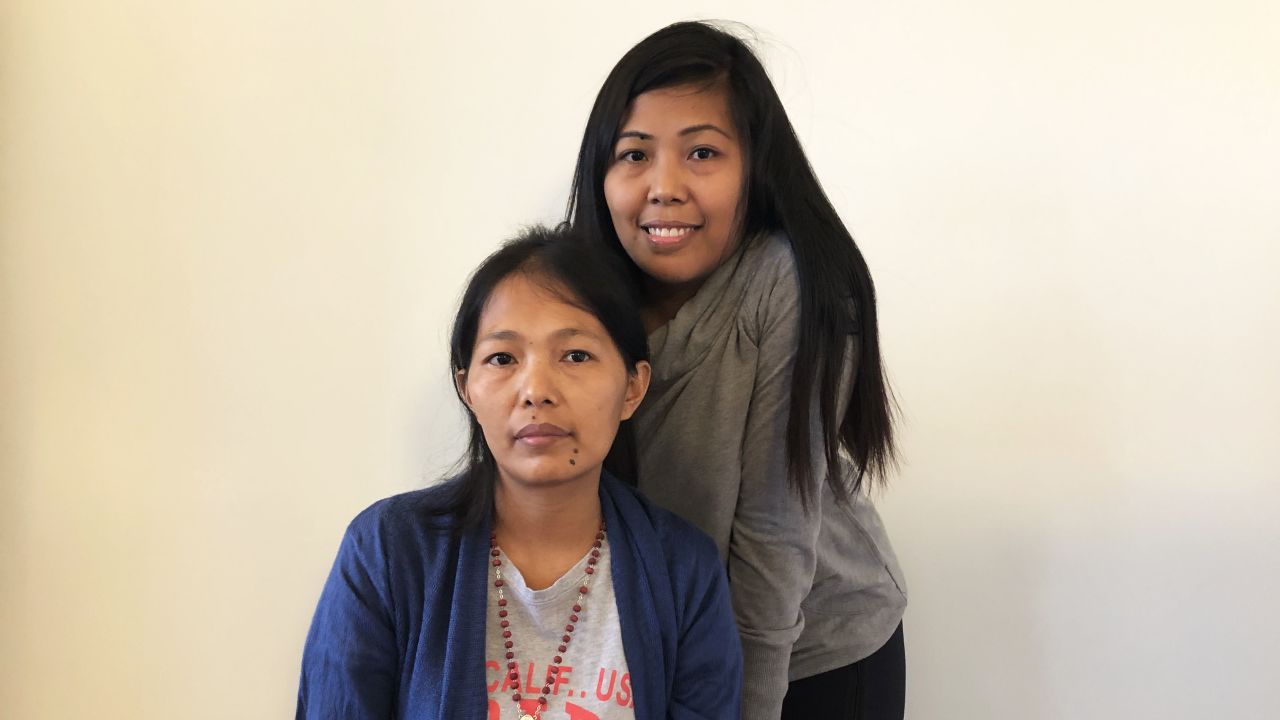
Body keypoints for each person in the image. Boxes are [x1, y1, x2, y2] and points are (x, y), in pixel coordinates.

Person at [566, 21, 908, 720]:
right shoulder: (577, 303)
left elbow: (774, 541)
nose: (664, 187)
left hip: (817, 648)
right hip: (675, 647)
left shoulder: (787, 284)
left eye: (701, 152)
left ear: (754, 167)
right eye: (634, 155)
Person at [296, 226, 742, 720]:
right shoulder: (387, 551)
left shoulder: (684, 571)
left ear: (633, 388)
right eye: (503, 358)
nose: (536, 390)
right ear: (468, 389)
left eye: (575, 355)